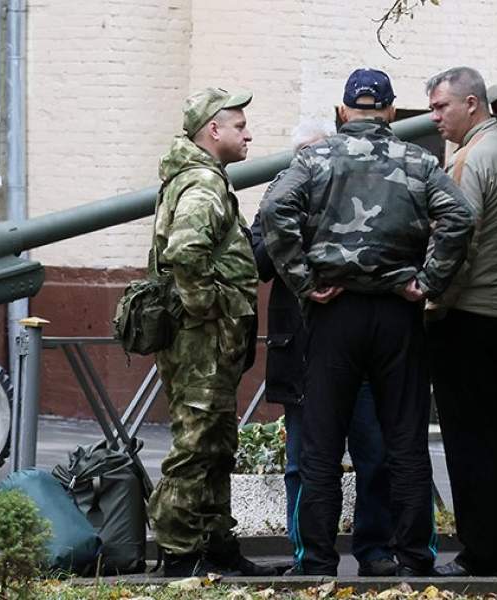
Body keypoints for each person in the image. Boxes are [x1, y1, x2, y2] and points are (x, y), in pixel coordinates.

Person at [259, 68, 475, 576]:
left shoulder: (315, 158)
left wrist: (303, 279)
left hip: (333, 312)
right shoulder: (418, 160)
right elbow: (460, 218)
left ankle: (316, 561)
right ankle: (414, 558)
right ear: (391, 111)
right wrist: (428, 280)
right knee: (405, 440)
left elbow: (274, 209)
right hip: (398, 312)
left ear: (342, 112)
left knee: (320, 443)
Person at [250, 117, 395, 577]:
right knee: (302, 462)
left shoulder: (354, 189)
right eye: (304, 156)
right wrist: (292, 223)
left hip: (356, 343)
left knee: (373, 454)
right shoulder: (279, 194)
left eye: (319, 153)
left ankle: (375, 550)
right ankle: (307, 555)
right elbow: (258, 260)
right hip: (300, 348)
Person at [146, 87, 275, 578]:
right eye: (239, 126)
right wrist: (209, 309)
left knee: (218, 445)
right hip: (201, 342)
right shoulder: (202, 184)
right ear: (213, 130)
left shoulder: (204, 178)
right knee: (196, 445)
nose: (248, 135)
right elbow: (185, 251)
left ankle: (218, 545)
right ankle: (179, 553)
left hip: (209, 342)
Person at [425, 66, 497, 577]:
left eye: (441, 106)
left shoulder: (471, 158)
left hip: (467, 315)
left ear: (471, 103)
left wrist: (432, 301)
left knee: (468, 440)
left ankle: (478, 555)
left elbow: (458, 243)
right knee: (496, 435)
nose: (435, 117)